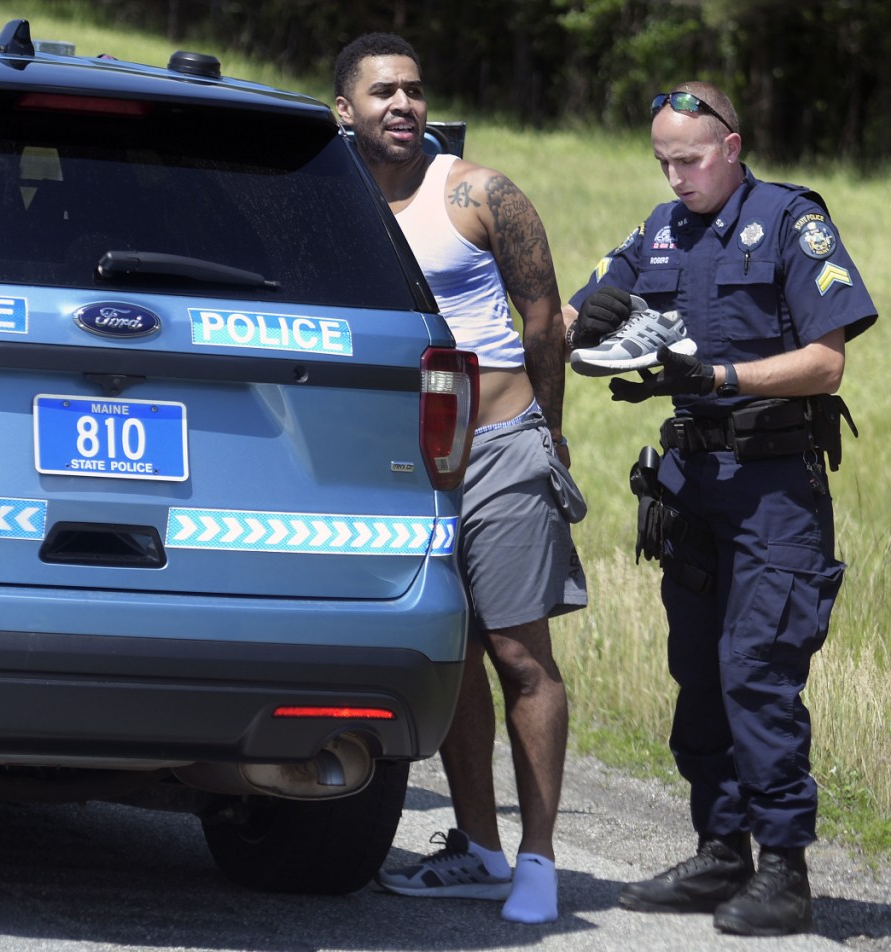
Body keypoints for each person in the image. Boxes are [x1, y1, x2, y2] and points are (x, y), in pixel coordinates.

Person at [564, 83, 877, 936]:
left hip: (774, 490)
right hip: (695, 490)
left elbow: (824, 364)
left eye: (691, 160)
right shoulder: (659, 231)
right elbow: (574, 315)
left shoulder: (787, 221)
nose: (676, 177)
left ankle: (785, 872)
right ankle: (719, 851)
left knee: (758, 673)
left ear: (732, 147)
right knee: (697, 672)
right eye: (663, 161)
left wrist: (721, 379)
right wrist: (580, 319)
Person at [334, 33, 587, 924]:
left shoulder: (478, 193)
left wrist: (544, 436)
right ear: (345, 112)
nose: (402, 105)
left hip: (498, 447)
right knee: (451, 653)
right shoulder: (334, 205)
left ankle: (540, 861)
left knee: (520, 653)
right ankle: (478, 846)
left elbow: (545, 316)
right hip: (398, 467)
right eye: (382, 94)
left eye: (412, 90)